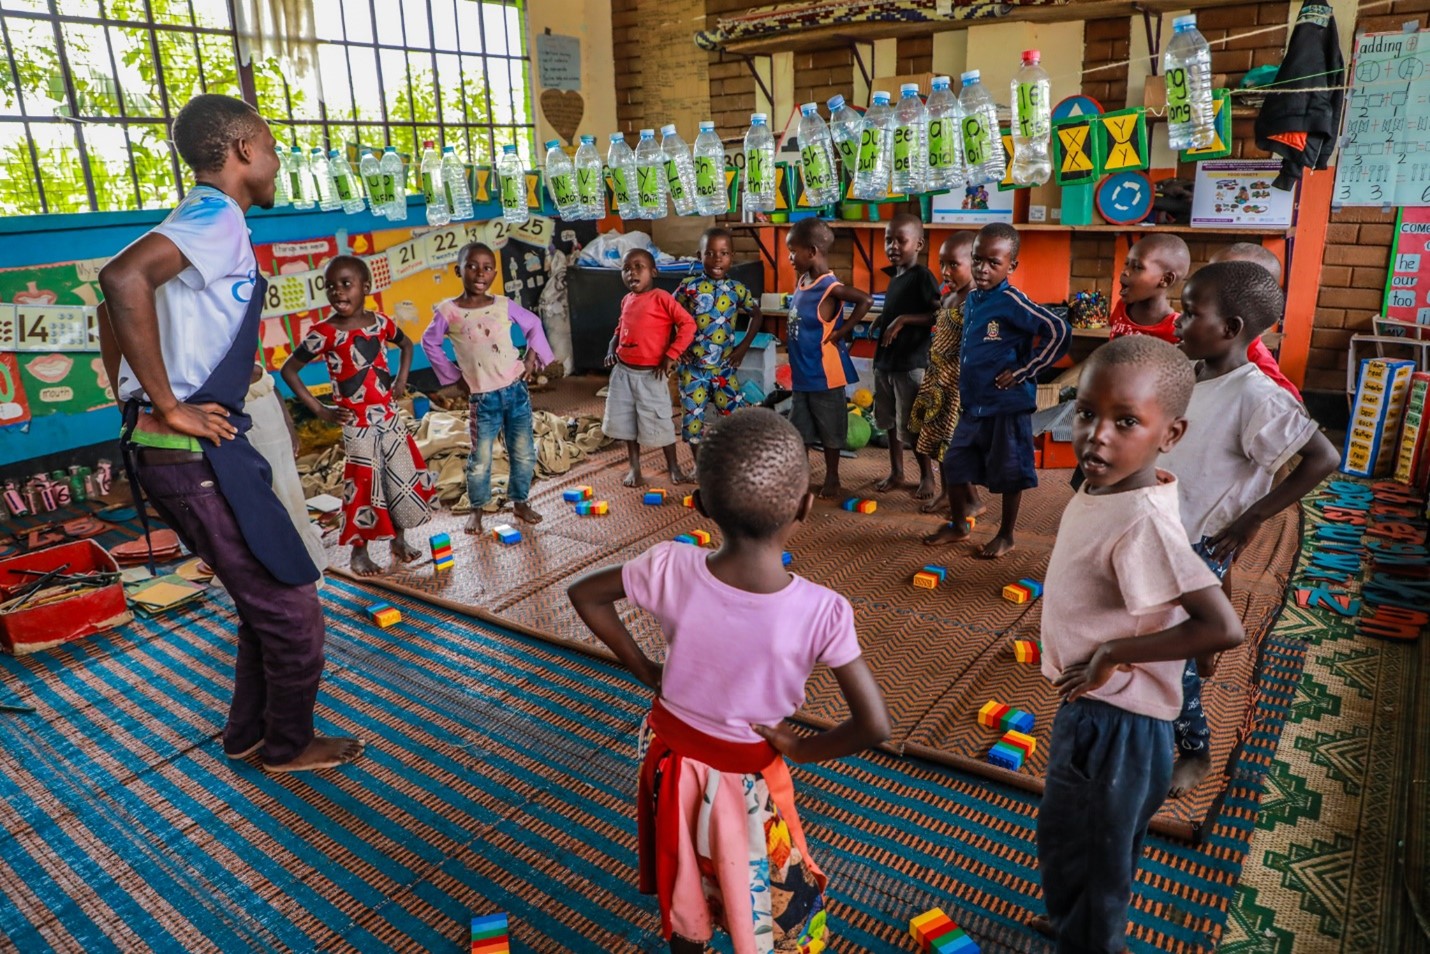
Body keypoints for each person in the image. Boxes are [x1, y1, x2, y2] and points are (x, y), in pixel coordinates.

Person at [97, 93, 360, 773]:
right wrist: (167, 403)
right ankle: (288, 744)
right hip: (191, 451)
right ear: (243, 149)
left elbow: (109, 309)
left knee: (262, 597)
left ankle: (249, 734)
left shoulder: (199, 221)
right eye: (271, 148)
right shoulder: (216, 217)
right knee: (294, 611)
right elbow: (120, 281)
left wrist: (130, 395)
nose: (276, 163)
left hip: (190, 448)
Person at [567, 408, 890, 954]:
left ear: (700, 505)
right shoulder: (822, 611)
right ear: (806, 508)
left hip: (670, 763)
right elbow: (874, 725)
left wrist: (648, 670)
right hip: (748, 783)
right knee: (766, 896)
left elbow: (585, 596)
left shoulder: (669, 564)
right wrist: (801, 749)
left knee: (685, 879)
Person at [1036, 334, 1244, 953]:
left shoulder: (1146, 521)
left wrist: (1113, 654)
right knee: (1067, 835)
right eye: (1086, 412)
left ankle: (1095, 942)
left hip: (1121, 725)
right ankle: (1077, 928)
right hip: (1093, 710)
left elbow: (1221, 626)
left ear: (1170, 434)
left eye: (1126, 421)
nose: (1098, 435)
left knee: (1099, 854)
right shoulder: (1105, 484)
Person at [1159, 261, 1338, 797]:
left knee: (1174, 661)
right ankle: (1199, 649)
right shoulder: (1192, 374)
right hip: (1164, 530)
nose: (1177, 324)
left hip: (1199, 540)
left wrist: (1253, 515)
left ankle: (1195, 752)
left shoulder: (1256, 395)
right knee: (1163, 631)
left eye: (1190, 315)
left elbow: (1323, 457)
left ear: (1232, 328)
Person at [281, 256, 437, 576]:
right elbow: (289, 371)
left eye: (346, 284)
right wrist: (321, 410)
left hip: (390, 418)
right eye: (331, 287)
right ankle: (359, 552)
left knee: (400, 479)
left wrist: (401, 380)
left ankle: (399, 540)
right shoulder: (323, 332)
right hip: (357, 424)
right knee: (364, 485)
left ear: (366, 287)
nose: (338, 292)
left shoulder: (381, 323)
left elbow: (407, 345)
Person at [924, 223, 1069, 558]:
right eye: (977, 260)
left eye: (993, 262)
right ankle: (960, 524)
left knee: (1009, 472)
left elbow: (1057, 330)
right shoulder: (973, 299)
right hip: (973, 404)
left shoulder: (1013, 301)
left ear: (1011, 266)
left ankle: (1006, 535)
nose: (982, 269)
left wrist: (1023, 370)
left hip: (1006, 406)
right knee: (955, 462)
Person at [422, 241, 554, 535]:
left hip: (516, 391)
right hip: (482, 399)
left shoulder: (502, 305)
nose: (480, 273)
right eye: (472, 266)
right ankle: (477, 509)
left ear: (495, 272)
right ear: (458, 270)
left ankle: (519, 501)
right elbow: (428, 342)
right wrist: (453, 377)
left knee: (522, 452)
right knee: (480, 458)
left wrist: (532, 359)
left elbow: (534, 325)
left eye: (487, 267)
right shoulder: (449, 311)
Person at [784, 218, 873, 498]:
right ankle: (801, 476)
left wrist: (843, 331)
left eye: (793, 251)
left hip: (825, 375)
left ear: (811, 251)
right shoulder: (803, 281)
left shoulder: (829, 287)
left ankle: (833, 477)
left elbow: (866, 300)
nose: (789, 257)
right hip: (802, 374)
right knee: (801, 430)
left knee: (831, 429)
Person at [603, 248, 697, 488]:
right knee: (627, 424)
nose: (631, 272)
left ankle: (674, 467)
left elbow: (688, 324)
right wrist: (612, 347)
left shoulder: (662, 298)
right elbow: (620, 328)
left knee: (661, 422)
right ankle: (635, 468)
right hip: (623, 373)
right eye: (626, 268)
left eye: (638, 267)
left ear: (653, 271)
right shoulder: (626, 300)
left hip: (651, 375)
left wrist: (671, 355)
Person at [672, 227, 764, 468]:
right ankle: (701, 467)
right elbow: (668, 315)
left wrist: (743, 347)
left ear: (732, 256)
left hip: (724, 369)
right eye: (710, 253)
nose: (717, 259)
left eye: (723, 253)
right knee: (693, 422)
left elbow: (757, 315)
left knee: (735, 418)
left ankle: (736, 464)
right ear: (699, 255)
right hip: (692, 369)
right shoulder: (688, 287)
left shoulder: (737, 289)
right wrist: (678, 347)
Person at [870, 213, 941, 498]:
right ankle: (897, 472)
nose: (893, 246)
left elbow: (937, 313)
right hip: (885, 362)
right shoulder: (895, 276)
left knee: (913, 426)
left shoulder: (922, 276)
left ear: (919, 244)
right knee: (887, 421)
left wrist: (902, 321)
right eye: (889, 240)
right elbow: (895, 309)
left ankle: (927, 478)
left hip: (910, 364)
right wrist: (882, 319)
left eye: (901, 240)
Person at [910, 231, 976, 514]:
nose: (945, 272)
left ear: (974, 264)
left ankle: (971, 501)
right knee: (941, 447)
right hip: (938, 380)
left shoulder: (974, 301)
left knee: (952, 449)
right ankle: (950, 494)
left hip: (955, 385)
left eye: (953, 265)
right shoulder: (950, 297)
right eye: (942, 264)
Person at [244, 361, 327, 575]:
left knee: (287, 488)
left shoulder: (242, 353)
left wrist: (289, 424)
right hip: (252, 431)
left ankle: (299, 554)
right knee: (270, 493)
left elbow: (272, 386)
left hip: (272, 424)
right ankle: (285, 560)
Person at [1208, 242, 1303, 401]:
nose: (1205, 289)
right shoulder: (1209, 342)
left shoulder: (1258, 364)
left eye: (1220, 286)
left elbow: (1294, 406)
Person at [1107, 233, 1190, 343]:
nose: (1125, 271)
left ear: (1165, 280)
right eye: (1126, 263)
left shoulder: (1175, 328)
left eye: (1137, 267)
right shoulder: (1121, 308)